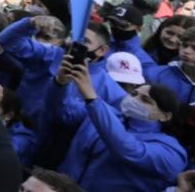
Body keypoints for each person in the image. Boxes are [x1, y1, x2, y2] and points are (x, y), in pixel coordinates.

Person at [58, 59, 187, 191]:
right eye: (134, 94)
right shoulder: (106, 113)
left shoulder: (171, 152)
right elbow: (64, 113)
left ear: (165, 116)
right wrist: (60, 85)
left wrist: (92, 97)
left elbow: (129, 149)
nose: (134, 100)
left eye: (145, 100)